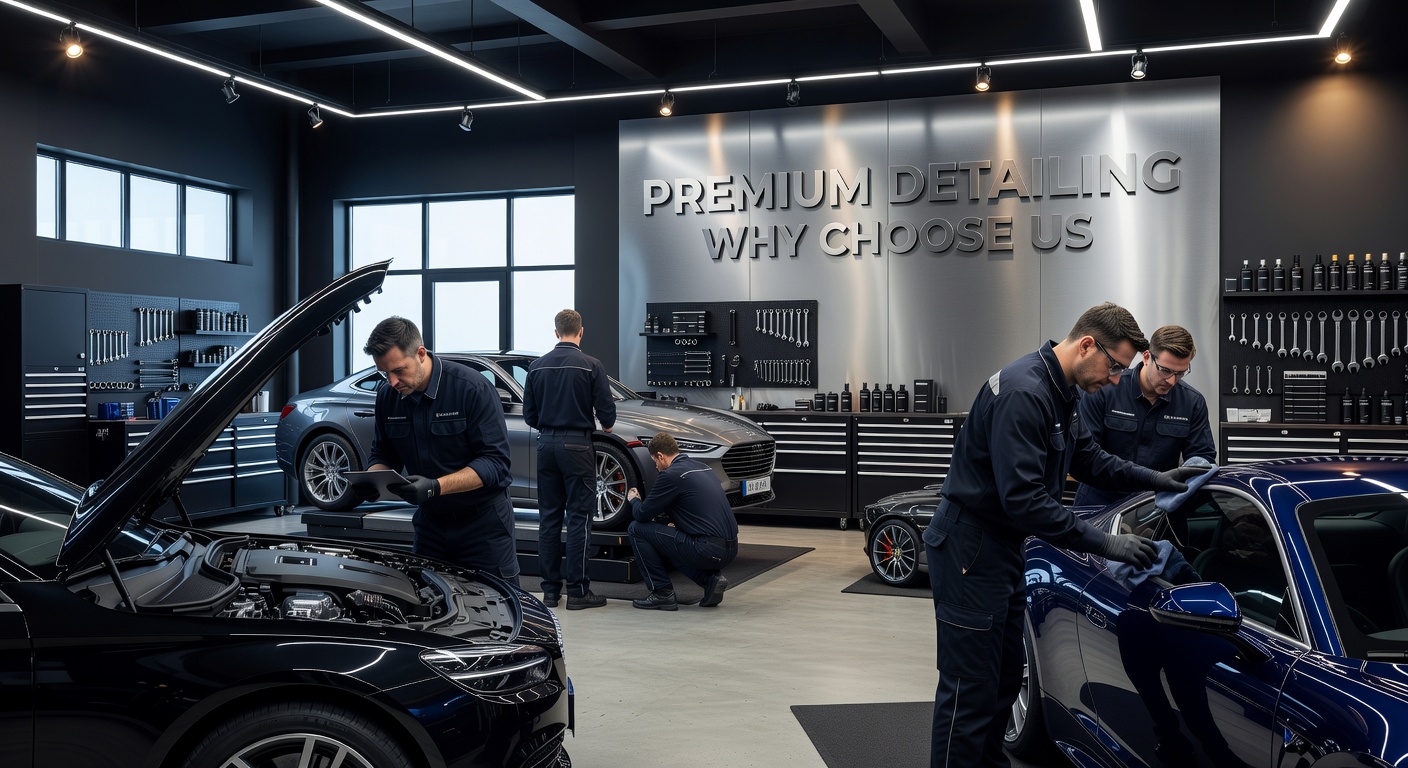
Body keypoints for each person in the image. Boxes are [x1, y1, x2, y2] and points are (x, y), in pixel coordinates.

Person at [923, 302, 1202, 768]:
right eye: (1115, 366)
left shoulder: (1061, 391)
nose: (1116, 379)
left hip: (1002, 550)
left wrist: (1155, 479)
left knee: (1003, 682)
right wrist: (1108, 543)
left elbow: (1089, 459)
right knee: (969, 692)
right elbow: (1025, 501)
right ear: (1087, 345)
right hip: (970, 551)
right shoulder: (1025, 392)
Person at [354, 317, 519, 585]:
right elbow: (383, 453)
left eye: (399, 370)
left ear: (421, 353)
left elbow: (495, 464)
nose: (392, 382)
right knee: (427, 602)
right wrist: (373, 479)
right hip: (430, 526)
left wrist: (435, 487)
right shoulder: (387, 396)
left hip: (483, 527)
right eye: (384, 373)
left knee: (496, 605)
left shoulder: (471, 388)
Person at [523, 309, 617, 610]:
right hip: (577, 446)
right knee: (579, 518)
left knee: (549, 519)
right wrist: (603, 422)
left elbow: (529, 415)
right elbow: (607, 415)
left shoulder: (536, 367)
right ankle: (577, 591)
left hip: (545, 446)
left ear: (556, 333)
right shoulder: (591, 366)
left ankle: (550, 592)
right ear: (581, 331)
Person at [1074, 325, 1216, 507]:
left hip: (1155, 507)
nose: (1171, 380)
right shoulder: (1105, 390)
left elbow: (1202, 460)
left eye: (1180, 373)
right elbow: (1085, 455)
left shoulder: (1192, 403)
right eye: (1165, 370)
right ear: (1147, 357)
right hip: (1099, 504)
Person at [624, 432, 738, 611]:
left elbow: (642, 515)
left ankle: (662, 593)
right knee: (667, 541)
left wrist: (635, 500)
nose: (656, 467)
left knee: (636, 529)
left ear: (660, 456)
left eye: (654, 461)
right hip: (731, 549)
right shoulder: (703, 468)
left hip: (708, 550)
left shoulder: (670, 475)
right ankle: (710, 580)